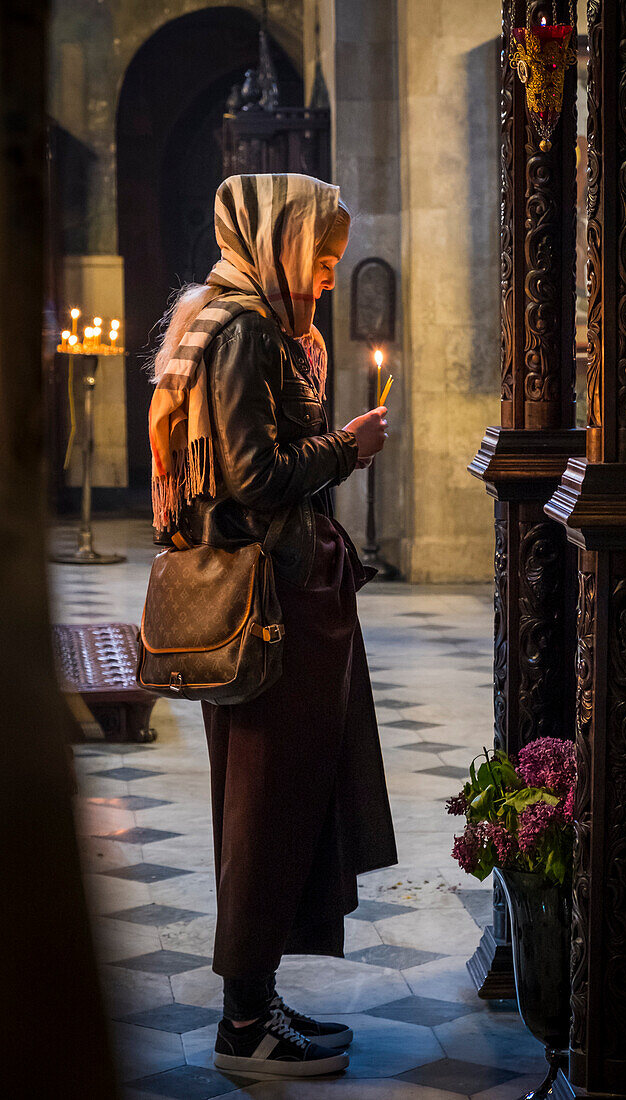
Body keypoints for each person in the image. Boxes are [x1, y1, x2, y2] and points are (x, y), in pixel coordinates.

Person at [147, 173, 398, 1077]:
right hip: (270, 605)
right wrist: (348, 447)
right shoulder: (247, 329)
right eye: (320, 255)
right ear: (278, 241)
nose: (328, 272)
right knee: (262, 805)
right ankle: (244, 1026)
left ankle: (255, 1002)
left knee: (273, 802)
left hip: (280, 595)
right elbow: (253, 479)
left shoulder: (237, 318)